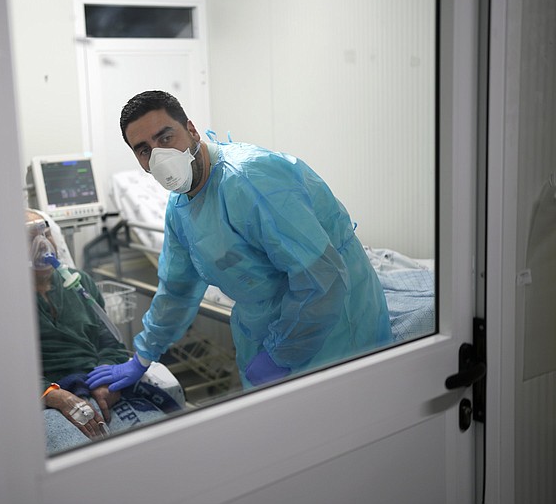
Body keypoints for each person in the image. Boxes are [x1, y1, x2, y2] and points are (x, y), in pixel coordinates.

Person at [87, 90, 391, 392]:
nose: (159, 157)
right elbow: (177, 289)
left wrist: (281, 354)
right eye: (144, 150)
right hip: (264, 326)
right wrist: (142, 358)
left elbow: (322, 279)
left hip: (335, 326)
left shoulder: (252, 179)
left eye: (165, 138)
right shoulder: (179, 207)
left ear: (191, 130)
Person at [27, 210, 179, 453]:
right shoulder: (3, 303)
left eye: (46, 234)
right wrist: (51, 394)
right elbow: (4, 371)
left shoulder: (80, 283)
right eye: (30, 239)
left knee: (163, 448)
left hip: (97, 386)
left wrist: (107, 381)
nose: (43, 244)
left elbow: (111, 343)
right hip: (46, 400)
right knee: (85, 464)